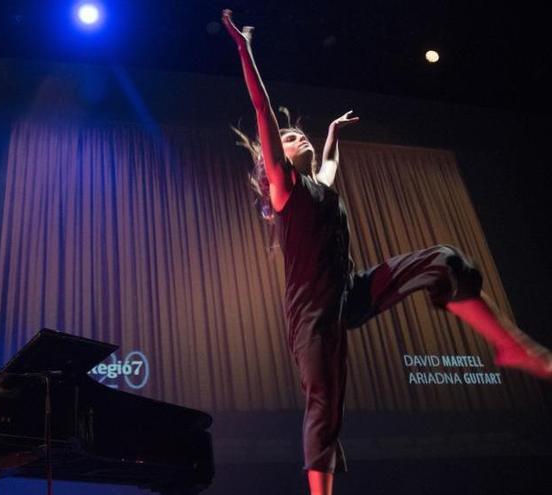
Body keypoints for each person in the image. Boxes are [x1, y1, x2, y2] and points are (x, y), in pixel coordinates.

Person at [221, 9, 552, 495]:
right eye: (291, 139)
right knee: (325, 402)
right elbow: (262, 112)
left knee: (444, 258)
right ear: (275, 161)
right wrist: (244, 50)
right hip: (312, 312)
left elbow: (330, 164)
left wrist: (332, 132)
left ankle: (508, 345)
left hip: (349, 293)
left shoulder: (320, 185)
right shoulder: (286, 190)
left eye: (301, 133)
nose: (299, 137)